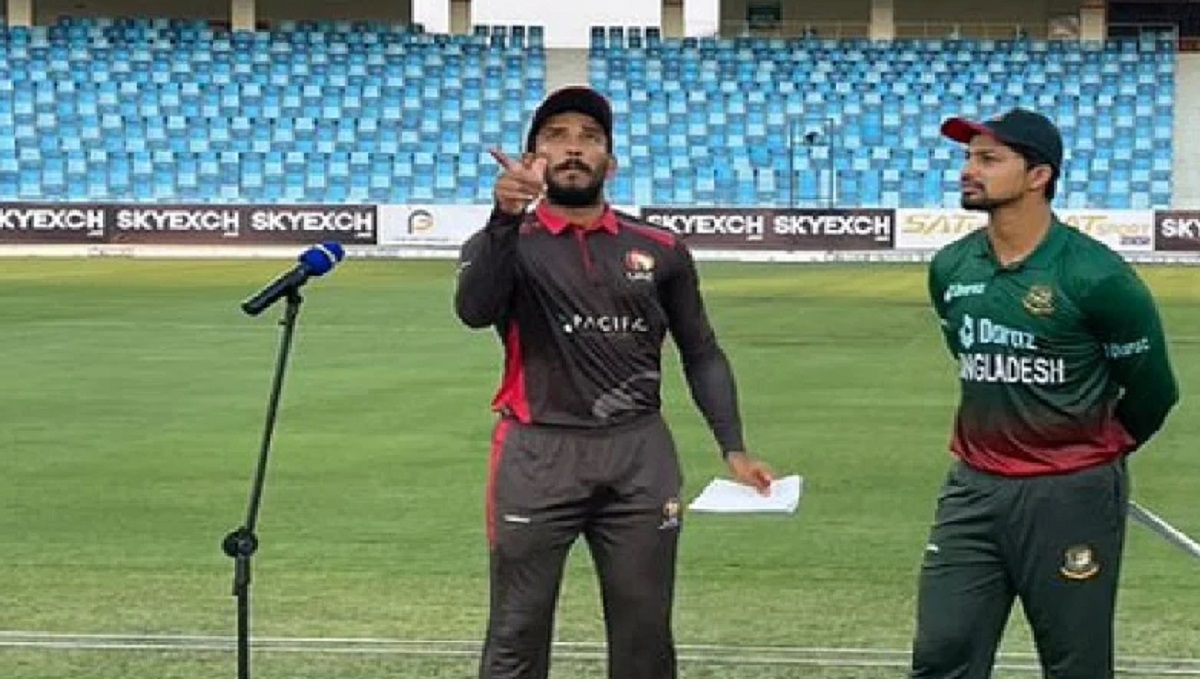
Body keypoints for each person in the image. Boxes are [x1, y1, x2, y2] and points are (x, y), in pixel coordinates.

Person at [454, 86, 775, 679]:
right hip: (538, 453)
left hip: (639, 457)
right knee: (517, 630)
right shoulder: (505, 243)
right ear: (533, 158)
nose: (574, 148)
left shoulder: (661, 248)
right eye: (556, 137)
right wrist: (503, 219)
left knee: (644, 637)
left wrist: (733, 447)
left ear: (612, 161)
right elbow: (474, 311)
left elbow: (701, 350)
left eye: (590, 138)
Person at [911, 108, 1179, 678]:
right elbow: (969, 355)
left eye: (988, 159)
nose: (968, 170)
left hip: (1070, 496)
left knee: (1075, 664)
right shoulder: (951, 267)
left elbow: (1154, 391)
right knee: (942, 653)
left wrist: (1090, 454)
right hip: (973, 488)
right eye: (968, 158)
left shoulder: (1097, 276)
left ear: (1038, 176)